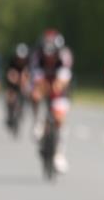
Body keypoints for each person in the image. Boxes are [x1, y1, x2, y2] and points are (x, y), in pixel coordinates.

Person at [30, 29, 73, 173]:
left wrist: (57, 87)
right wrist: (41, 90)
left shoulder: (65, 56)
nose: (50, 58)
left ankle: (59, 154)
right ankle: (37, 122)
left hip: (59, 84)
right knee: (35, 96)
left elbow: (63, 80)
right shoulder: (37, 56)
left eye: (52, 55)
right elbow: (37, 80)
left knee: (60, 118)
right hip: (43, 81)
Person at [4, 42, 30, 133]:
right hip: (13, 80)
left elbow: (29, 75)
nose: (21, 60)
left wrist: (24, 83)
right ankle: (10, 113)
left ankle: (22, 109)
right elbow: (9, 73)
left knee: (25, 89)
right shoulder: (12, 60)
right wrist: (13, 79)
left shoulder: (28, 62)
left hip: (23, 79)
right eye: (19, 58)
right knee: (10, 96)